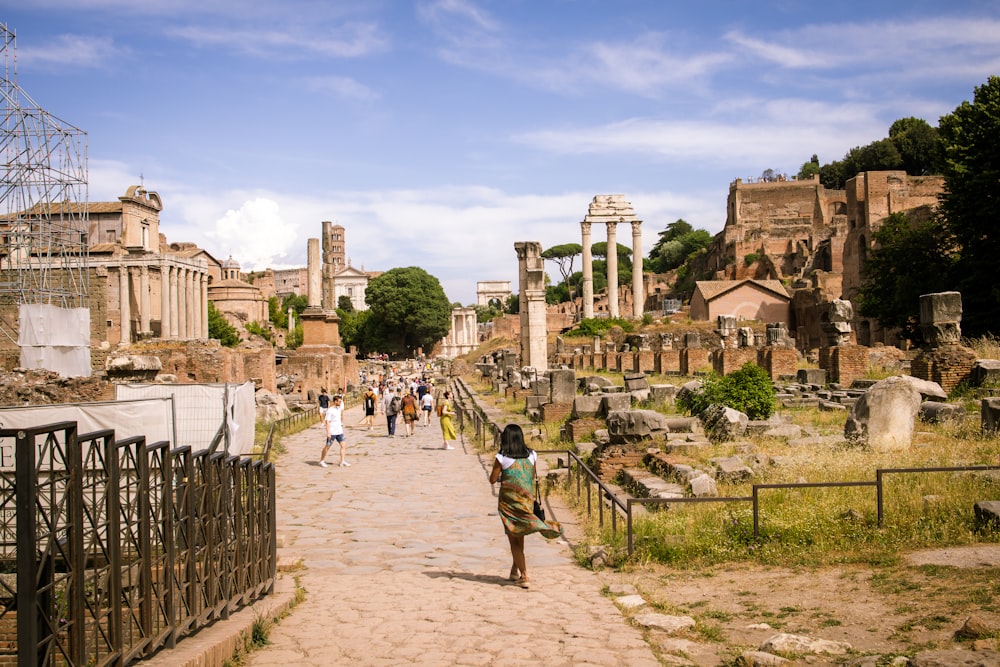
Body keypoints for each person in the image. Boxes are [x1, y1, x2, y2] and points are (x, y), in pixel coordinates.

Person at [488, 424, 561, 589]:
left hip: (509, 503)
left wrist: (505, 476)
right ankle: (515, 570)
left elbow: (493, 479)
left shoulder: (502, 457)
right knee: (519, 536)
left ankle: (524, 575)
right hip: (526, 501)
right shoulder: (532, 455)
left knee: (513, 538)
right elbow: (532, 475)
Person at [319, 395, 349, 468]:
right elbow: (327, 422)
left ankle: (342, 461)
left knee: (343, 445)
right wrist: (328, 432)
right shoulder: (330, 410)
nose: (340, 402)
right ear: (335, 401)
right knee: (327, 446)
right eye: (339, 401)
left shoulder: (339, 409)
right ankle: (322, 460)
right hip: (332, 432)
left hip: (339, 431)